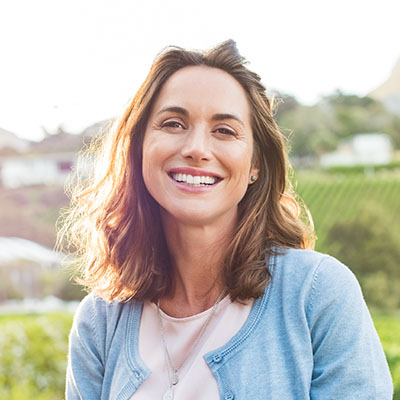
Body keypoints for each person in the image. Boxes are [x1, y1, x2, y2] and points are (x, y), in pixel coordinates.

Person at [62, 40, 393, 399]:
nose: (197, 149)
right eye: (173, 123)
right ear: (139, 147)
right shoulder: (100, 321)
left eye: (224, 130)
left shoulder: (317, 294)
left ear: (254, 165)